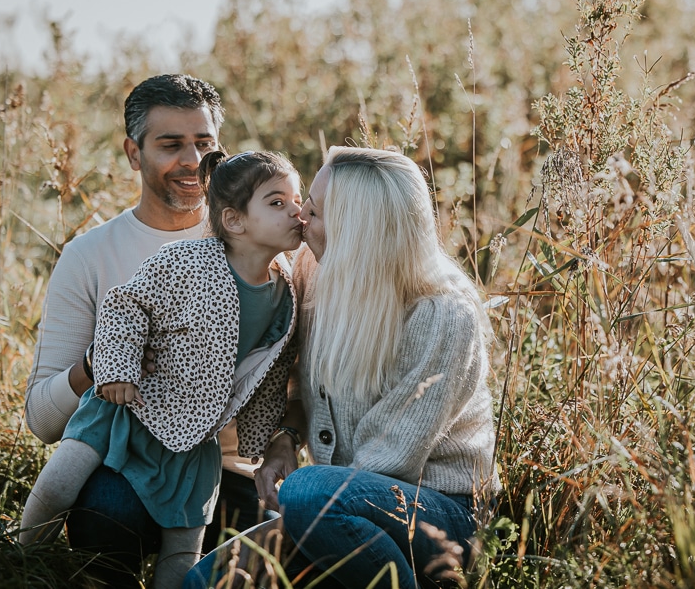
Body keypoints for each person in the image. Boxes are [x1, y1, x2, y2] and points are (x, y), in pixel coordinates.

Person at [188, 146, 501, 588]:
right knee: (203, 583)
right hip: (333, 507)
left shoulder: (441, 314)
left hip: (440, 513)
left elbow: (390, 460)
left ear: (354, 231)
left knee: (306, 494)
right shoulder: (313, 271)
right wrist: (287, 440)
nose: (299, 220)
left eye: (312, 211)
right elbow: (295, 381)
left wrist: (286, 525)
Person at [23, 75, 280, 585]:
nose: (192, 160)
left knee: (277, 551)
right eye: (170, 145)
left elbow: (289, 381)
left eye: (205, 144)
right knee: (107, 512)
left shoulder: (257, 243)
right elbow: (42, 420)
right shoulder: (90, 257)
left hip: (224, 470)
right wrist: (101, 364)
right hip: (125, 455)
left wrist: (279, 448)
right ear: (133, 154)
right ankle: (35, 559)